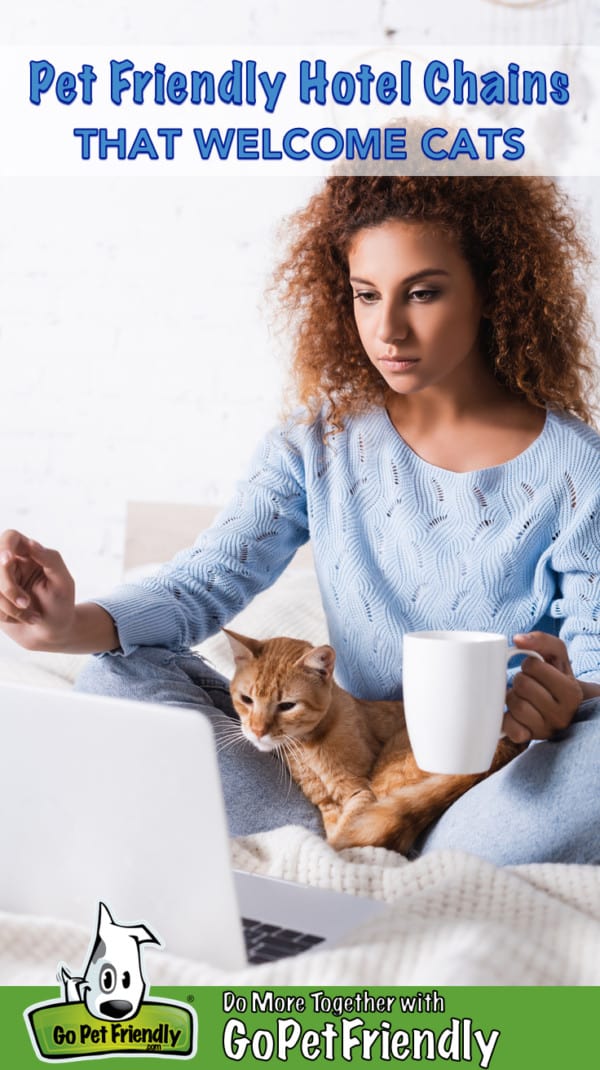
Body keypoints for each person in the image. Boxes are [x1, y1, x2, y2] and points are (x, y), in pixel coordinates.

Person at [1, 175, 599, 864]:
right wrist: (65, 625)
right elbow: (205, 581)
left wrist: (566, 698)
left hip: (499, 784)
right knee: (115, 678)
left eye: (423, 293)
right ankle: (346, 835)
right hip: (332, 767)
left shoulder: (580, 471)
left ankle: (412, 847)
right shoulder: (315, 442)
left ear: (493, 288)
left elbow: (592, 663)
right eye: (366, 294)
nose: (387, 329)